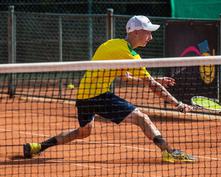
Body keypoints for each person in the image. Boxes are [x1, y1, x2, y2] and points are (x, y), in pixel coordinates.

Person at [23, 15, 196, 163]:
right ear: (136, 32)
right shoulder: (130, 55)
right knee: (142, 118)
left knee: (83, 132)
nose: (150, 37)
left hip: (83, 96)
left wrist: (153, 79)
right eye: (148, 32)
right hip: (98, 96)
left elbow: (126, 78)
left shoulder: (113, 44)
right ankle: (169, 152)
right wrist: (178, 104)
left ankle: (38, 147)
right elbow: (153, 87)